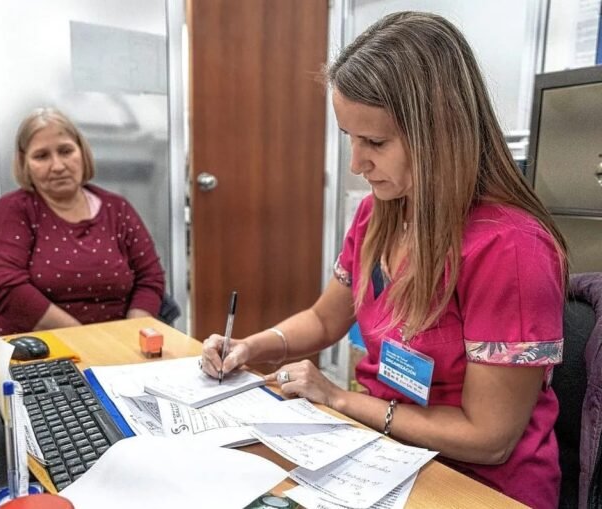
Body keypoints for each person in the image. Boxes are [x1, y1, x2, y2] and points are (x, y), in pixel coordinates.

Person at [201, 11, 567, 509]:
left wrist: (338, 398)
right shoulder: (381, 212)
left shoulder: (512, 249)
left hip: (475, 485)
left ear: (443, 132)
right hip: (380, 453)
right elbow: (324, 318)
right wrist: (251, 346)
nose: (357, 164)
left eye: (375, 142)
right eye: (351, 138)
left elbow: (489, 437)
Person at [0, 108, 165, 335]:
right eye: (41, 156)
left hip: (119, 347)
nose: (57, 166)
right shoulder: (12, 211)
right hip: (41, 352)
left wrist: (134, 335)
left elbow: (149, 278)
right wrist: (84, 339)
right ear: (24, 163)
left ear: (82, 153)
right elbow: (2, 284)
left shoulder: (117, 209)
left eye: (66, 151)